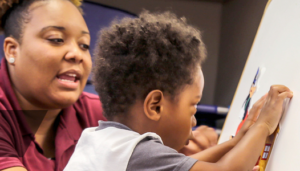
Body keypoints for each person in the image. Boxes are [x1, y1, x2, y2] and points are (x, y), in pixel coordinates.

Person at [0, 1, 218, 171]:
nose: (76, 54)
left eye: (84, 45)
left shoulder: (104, 112)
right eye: (56, 39)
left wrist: (198, 144)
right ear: (11, 50)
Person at [64, 11, 293, 171]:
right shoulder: (135, 152)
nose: (194, 121)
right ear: (155, 106)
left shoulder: (101, 140)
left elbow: (180, 165)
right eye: (193, 107)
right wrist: (263, 126)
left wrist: (237, 142)